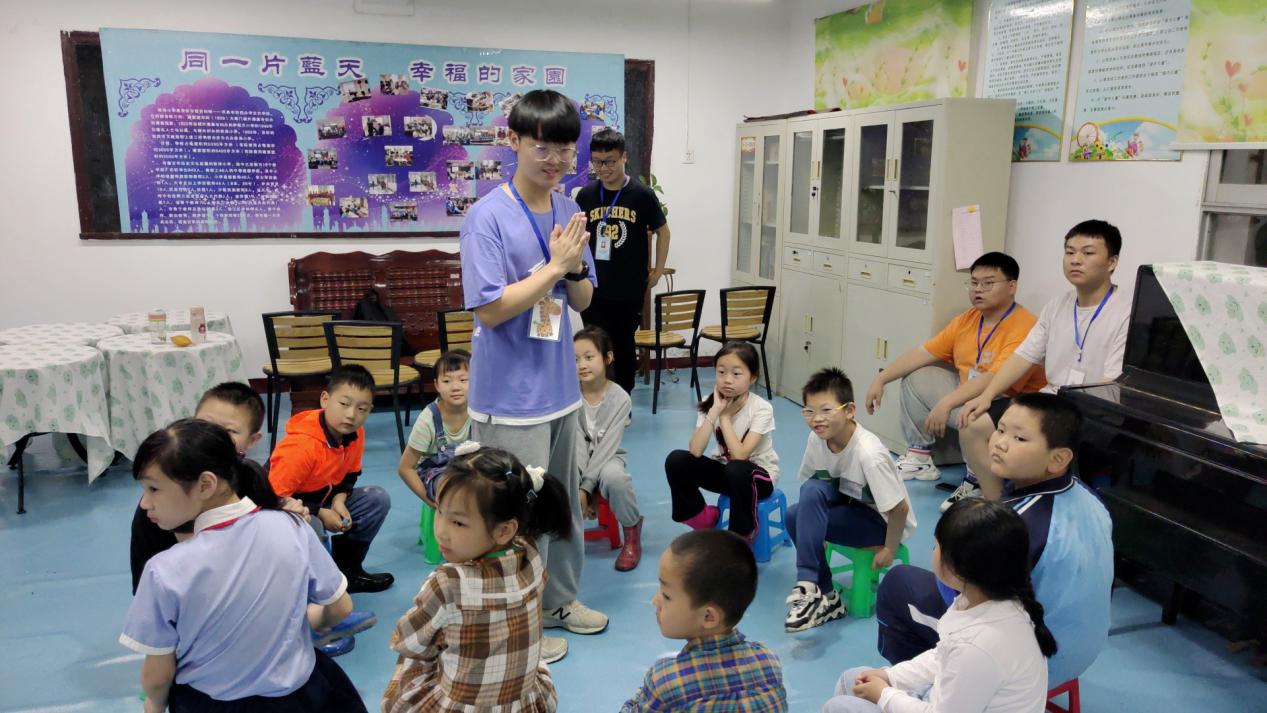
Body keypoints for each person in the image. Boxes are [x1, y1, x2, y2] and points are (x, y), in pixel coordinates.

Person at [459, 88, 606, 663]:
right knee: (512, 517)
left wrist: (573, 271)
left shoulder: (570, 211)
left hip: (561, 390)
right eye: (542, 146)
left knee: (560, 508)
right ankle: (515, 627)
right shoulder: (486, 218)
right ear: (514, 141)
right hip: (509, 398)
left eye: (565, 149)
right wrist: (555, 266)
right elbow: (491, 309)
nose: (555, 159)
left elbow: (584, 299)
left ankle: (558, 603)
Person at [120, 419, 366, 713]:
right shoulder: (292, 526)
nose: (145, 503)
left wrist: (154, 704)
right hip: (305, 696)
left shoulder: (165, 570)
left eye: (153, 489)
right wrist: (296, 625)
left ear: (205, 484)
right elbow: (341, 607)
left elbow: (157, 676)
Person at [875, 394, 1113, 688]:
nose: (999, 443)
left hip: (1030, 666)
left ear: (1059, 458)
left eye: (1019, 438)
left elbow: (963, 598)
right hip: (1081, 652)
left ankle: (924, 691)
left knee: (898, 583)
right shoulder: (1092, 500)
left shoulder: (1014, 524)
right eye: (1000, 430)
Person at [127, 382, 372, 658]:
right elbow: (155, 588)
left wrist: (292, 510)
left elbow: (269, 515)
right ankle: (314, 618)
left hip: (251, 608)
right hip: (203, 620)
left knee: (305, 527)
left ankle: (314, 614)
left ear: (252, 440)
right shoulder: (162, 504)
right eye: (205, 424)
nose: (213, 437)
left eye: (229, 432)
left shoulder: (247, 477)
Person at [954, 220, 1129, 505]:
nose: (1075, 260)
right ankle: (998, 505)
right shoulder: (1057, 305)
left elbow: (1110, 384)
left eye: (1087, 253)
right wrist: (986, 395)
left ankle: (1035, 504)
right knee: (973, 424)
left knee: (1028, 438)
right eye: (1069, 252)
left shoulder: (1125, 311)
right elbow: (1023, 356)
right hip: (1052, 399)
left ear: (1112, 262)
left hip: (1096, 411)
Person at [822, 499, 1055, 713]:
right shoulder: (988, 600)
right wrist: (890, 676)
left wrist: (884, 694)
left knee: (839, 706)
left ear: (956, 570)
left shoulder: (977, 647)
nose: (932, 551)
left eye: (936, 546)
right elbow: (941, 656)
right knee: (851, 679)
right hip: (950, 698)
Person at [381, 445, 566, 712]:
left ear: (504, 530)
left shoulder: (448, 582)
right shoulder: (530, 552)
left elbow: (409, 641)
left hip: (464, 705)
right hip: (522, 700)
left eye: (458, 523)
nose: (441, 531)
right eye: (439, 512)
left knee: (410, 662)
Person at [862, 252, 1045, 487]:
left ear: (1012, 287)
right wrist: (882, 378)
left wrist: (946, 403)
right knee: (917, 376)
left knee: (974, 412)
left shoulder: (1025, 325)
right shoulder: (968, 319)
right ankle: (919, 458)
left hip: (1008, 402)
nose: (978, 290)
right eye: (974, 282)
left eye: (988, 283)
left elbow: (995, 378)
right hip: (969, 392)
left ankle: (977, 479)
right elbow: (923, 353)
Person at [785, 368, 916, 633]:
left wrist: (889, 549)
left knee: (799, 514)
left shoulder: (869, 454)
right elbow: (812, 486)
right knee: (795, 512)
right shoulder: (817, 439)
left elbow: (899, 509)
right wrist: (813, 528)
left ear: (849, 411)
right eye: (809, 411)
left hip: (880, 522)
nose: (816, 419)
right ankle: (819, 589)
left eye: (826, 410)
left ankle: (816, 590)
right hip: (847, 502)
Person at [621, 530, 787, 712]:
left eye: (666, 596)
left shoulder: (666, 680)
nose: (655, 600)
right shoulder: (768, 660)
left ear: (708, 617)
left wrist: (642, 695)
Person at [269, 364, 394, 593]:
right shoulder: (300, 447)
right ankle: (316, 590)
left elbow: (350, 474)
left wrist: (338, 501)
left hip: (324, 498)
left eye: (361, 409)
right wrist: (319, 512)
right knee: (313, 526)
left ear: (370, 410)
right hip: (287, 508)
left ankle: (348, 573)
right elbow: (272, 499)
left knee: (376, 499)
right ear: (325, 400)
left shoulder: (355, 433)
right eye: (344, 404)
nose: (351, 415)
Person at [575, 128, 670, 393]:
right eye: (597, 162)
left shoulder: (642, 195)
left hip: (628, 289)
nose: (603, 169)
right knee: (594, 347)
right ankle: (596, 400)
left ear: (624, 157)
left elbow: (663, 232)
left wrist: (658, 271)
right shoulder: (586, 196)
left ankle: (623, 401)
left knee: (623, 346)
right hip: (593, 289)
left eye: (610, 161)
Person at [664, 341, 779, 542]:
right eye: (721, 372)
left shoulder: (761, 408)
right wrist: (714, 411)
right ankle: (701, 518)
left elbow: (740, 456)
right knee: (677, 460)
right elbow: (696, 450)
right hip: (728, 473)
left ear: (752, 377)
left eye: (736, 374)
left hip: (758, 479)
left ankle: (741, 535)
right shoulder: (711, 401)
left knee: (736, 468)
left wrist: (725, 417)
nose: (727, 380)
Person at [574, 326, 643, 571]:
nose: (581, 365)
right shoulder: (569, 396)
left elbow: (606, 447)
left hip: (609, 456)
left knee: (616, 479)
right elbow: (576, 444)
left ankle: (632, 532)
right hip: (576, 459)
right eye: (575, 359)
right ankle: (561, 541)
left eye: (589, 357)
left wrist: (585, 487)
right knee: (557, 476)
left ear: (608, 357)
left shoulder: (620, 398)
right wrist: (580, 483)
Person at [396, 350, 471, 506]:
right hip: (436, 474)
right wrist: (429, 501)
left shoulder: (480, 412)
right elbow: (405, 468)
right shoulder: (428, 419)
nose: (455, 387)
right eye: (447, 381)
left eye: (463, 379)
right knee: (454, 487)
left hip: (469, 468)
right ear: (436, 385)